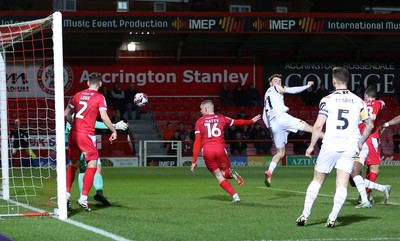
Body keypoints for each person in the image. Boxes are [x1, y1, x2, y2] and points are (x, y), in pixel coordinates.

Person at [296, 67, 374, 228]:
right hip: (349, 146)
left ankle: (305, 214)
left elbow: (318, 126)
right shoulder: (358, 101)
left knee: (317, 180)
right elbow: (370, 124)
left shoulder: (327, 99)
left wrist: (311, 146)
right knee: (342, 183)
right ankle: (332, 217)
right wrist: (360, 142)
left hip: (330, 145)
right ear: (347, 81)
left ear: (333, 81)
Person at [64, 72, 117, 212]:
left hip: (73, 135)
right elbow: (104, 117)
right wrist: (113, 130)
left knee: (73, 164)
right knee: (93, 162)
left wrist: (73, 124)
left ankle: (66, 195)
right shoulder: (100, 97)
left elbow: (65, 114)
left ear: (87, 83)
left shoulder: (77, 95)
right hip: (86, 135)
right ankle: (83, 197)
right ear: (100, 84)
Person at [190, 100, 261, 203]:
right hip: (220, 149)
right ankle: (230, 173)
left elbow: (197, 142)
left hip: (207, 151)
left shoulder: (199, 122)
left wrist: (194, 161)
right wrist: (251, 121)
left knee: (218, 175)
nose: (200, 111)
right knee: (224, 172)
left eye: (201, 109)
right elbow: (238, 122)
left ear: (205, 109)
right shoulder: (222, 118)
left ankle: (235, 196)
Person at [262, 74, 324, 187]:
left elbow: (264, 116)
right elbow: (291, 90)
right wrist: (306, 86)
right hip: (282, 118)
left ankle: (269, 171)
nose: (278, 82)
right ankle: (331, 138)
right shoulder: (275, 88)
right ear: (271, 83)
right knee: (311, 129)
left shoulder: (266, 96)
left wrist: (271, 129)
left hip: (273, 124)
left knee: (280, 153)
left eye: (279, 81)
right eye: (275, 81)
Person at [65, 116, 128, 208]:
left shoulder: (72, 115)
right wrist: (115, 126)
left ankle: (76, 196)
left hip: (74, 142)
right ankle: (94, 194)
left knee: (82, 169)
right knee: (96, 166)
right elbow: (95, 123)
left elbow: (66, 131)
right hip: (85, 141)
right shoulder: (83, 113)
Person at [351, 86, 386, 205]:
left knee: (358, 169)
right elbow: (374, 116)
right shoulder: (378, 103)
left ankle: (365, 192)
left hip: (358, 137)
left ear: (366, 95)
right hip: (370, 137)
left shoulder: (359, 103)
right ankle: (366, 193)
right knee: (375, 167)